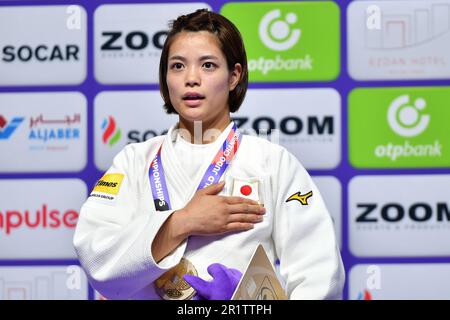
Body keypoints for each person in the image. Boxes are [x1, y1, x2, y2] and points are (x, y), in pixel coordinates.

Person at [73, 9, 345, 300]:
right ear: (165, 78)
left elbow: (320, 275)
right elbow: (95, 256)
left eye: (208, 65)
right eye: (177, 66)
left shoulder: (271, 163)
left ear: (233, 76)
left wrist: (250, 303)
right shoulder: (134, 161)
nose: (191, 78)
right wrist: (182, 222)